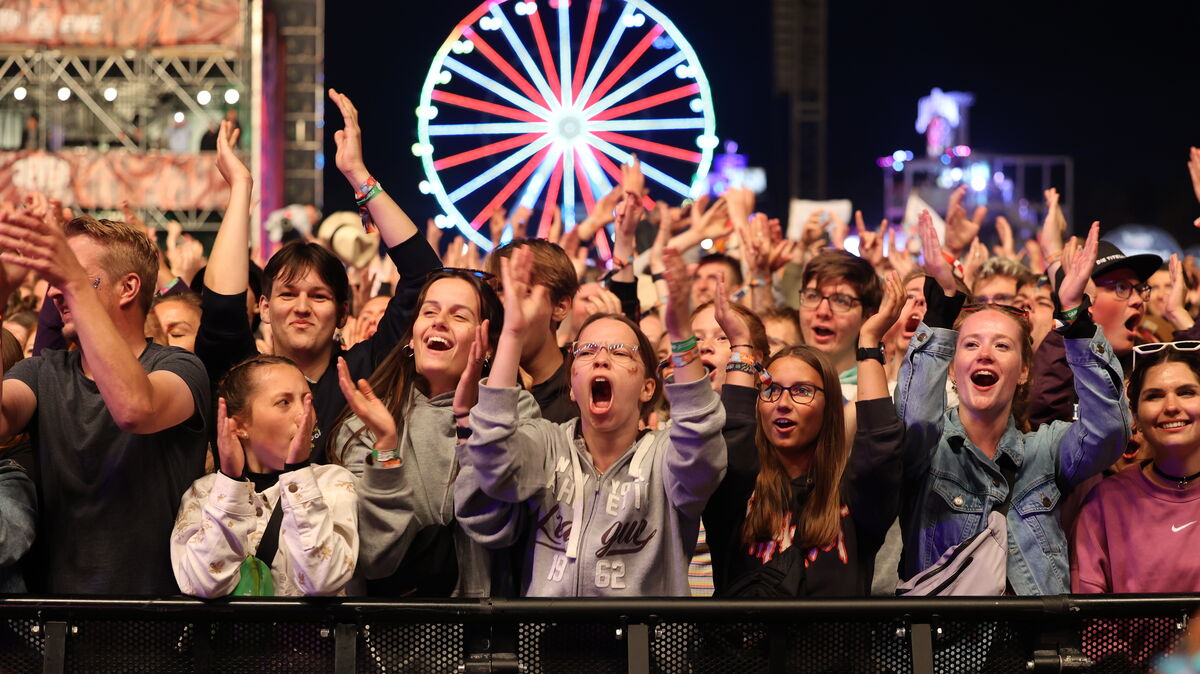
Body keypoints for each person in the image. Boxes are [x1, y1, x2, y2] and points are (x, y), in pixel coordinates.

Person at [456, 245, 726, 596]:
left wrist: (680, 335)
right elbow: (492, 461)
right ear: (572, 387)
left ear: (648, 388)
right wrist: (512, 334)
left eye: (619, 352)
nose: (600, 359)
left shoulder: (667, 458)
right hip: (549, 644)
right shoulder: (545, 444)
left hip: (643, 646)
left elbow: (702, 449)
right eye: (586, 351)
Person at [196, 90, 440, 464]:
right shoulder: (245, 375)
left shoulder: (365, 371)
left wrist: (359, 176)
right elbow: (221, 309)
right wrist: (241, 189)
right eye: (287, 294)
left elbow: (423, 276)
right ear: (263, 306)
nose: (302, 307)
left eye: (320, 296)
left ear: (343, 313)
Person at [896, 212, 1130, 595]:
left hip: (1035, 648)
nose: (984, 353)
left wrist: (1075, 316)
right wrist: (940, 313)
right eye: (970, 344)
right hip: (948, 651)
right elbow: (915, 421)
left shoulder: (1045, 450)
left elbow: (1109, 432)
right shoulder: (928, 451)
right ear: (953, 369)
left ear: (1023, 371)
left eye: (1001, 345)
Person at [0, 210, 210, 594]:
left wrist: (75, 286)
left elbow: (135, 408)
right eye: (55, 279)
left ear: (128, 288)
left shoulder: (181, 368)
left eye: (73, 276)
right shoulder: (44, 371)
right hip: (61, 625)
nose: (54, 292)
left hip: (157, 623)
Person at [333, 270, 540, 597]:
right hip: (390, 633)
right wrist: (386, 447)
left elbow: (495, 527)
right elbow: (374, 558)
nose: (439, 321)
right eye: (429, 311)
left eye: (459, 315)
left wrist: (469, 423)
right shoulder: (366, 422)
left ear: (486, 346)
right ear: (411, 339)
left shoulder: (518, 413)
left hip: (480, 633)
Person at [172, 355, 357, 597]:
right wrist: (230, 483)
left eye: (307, 401)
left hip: (307, 635)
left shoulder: (332, 482)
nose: (304, 415)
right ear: (239, 426)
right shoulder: (204, 493)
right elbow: (202, 584)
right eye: (284, 402)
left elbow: (323, 580)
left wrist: (299, 471)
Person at [1071, 341, 1200, 593]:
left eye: (1186, 392)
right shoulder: (1106, 502)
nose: (1172, 407)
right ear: (1136, 417)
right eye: (1154, 396)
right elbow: (1089, 620)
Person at [484, 239, 581, 423]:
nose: (507, 303)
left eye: (523, 291)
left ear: (560, 307)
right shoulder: (478, 386)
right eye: (498, 290)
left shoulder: (581, 393)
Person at [797, 250, 882, 400]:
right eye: (812, 296)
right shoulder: (778, 381)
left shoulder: (880, 389)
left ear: (868, 316)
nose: (823, 311)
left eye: (841, 300)